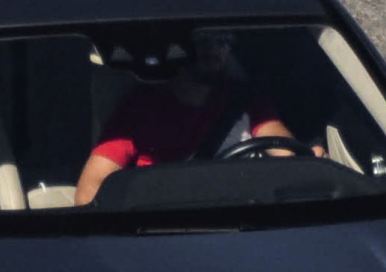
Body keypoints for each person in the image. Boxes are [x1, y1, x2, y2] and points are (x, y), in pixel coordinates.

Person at [72, 29, 310, 205]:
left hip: (242, 219)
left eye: (223, 41)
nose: (214, 49)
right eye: (203, 40)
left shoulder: (246, 98)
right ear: (178, 48)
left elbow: (279, 142)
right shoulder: (141, 108)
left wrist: (306, 163)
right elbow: (89, 190)